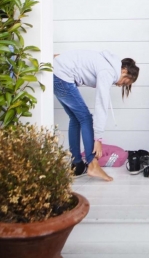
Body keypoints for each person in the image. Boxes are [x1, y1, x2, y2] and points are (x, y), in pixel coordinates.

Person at [53, 50, 140, 182]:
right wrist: (98, 139)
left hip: (56, 74)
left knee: (76, 119)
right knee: (86, 118)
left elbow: (79, 57)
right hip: (61, 77)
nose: (120, 85)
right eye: (124, 83)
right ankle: (92, 164)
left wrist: (58, 58)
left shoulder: (107, 63)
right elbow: (101, 105)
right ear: (124, 71)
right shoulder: (108, 72)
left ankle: (77, 165)